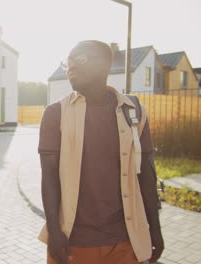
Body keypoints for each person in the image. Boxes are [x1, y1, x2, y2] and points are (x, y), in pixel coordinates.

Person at [38, 40, 164, 264]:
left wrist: (155, 229)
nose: (72, 67)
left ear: (105, 64)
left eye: (81, 59)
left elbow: (146, 174)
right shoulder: (55, 113)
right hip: (73, 242)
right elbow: (48, 177)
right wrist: (55, 233)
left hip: (127, 241)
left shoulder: (133, 111)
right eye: (69, 62)